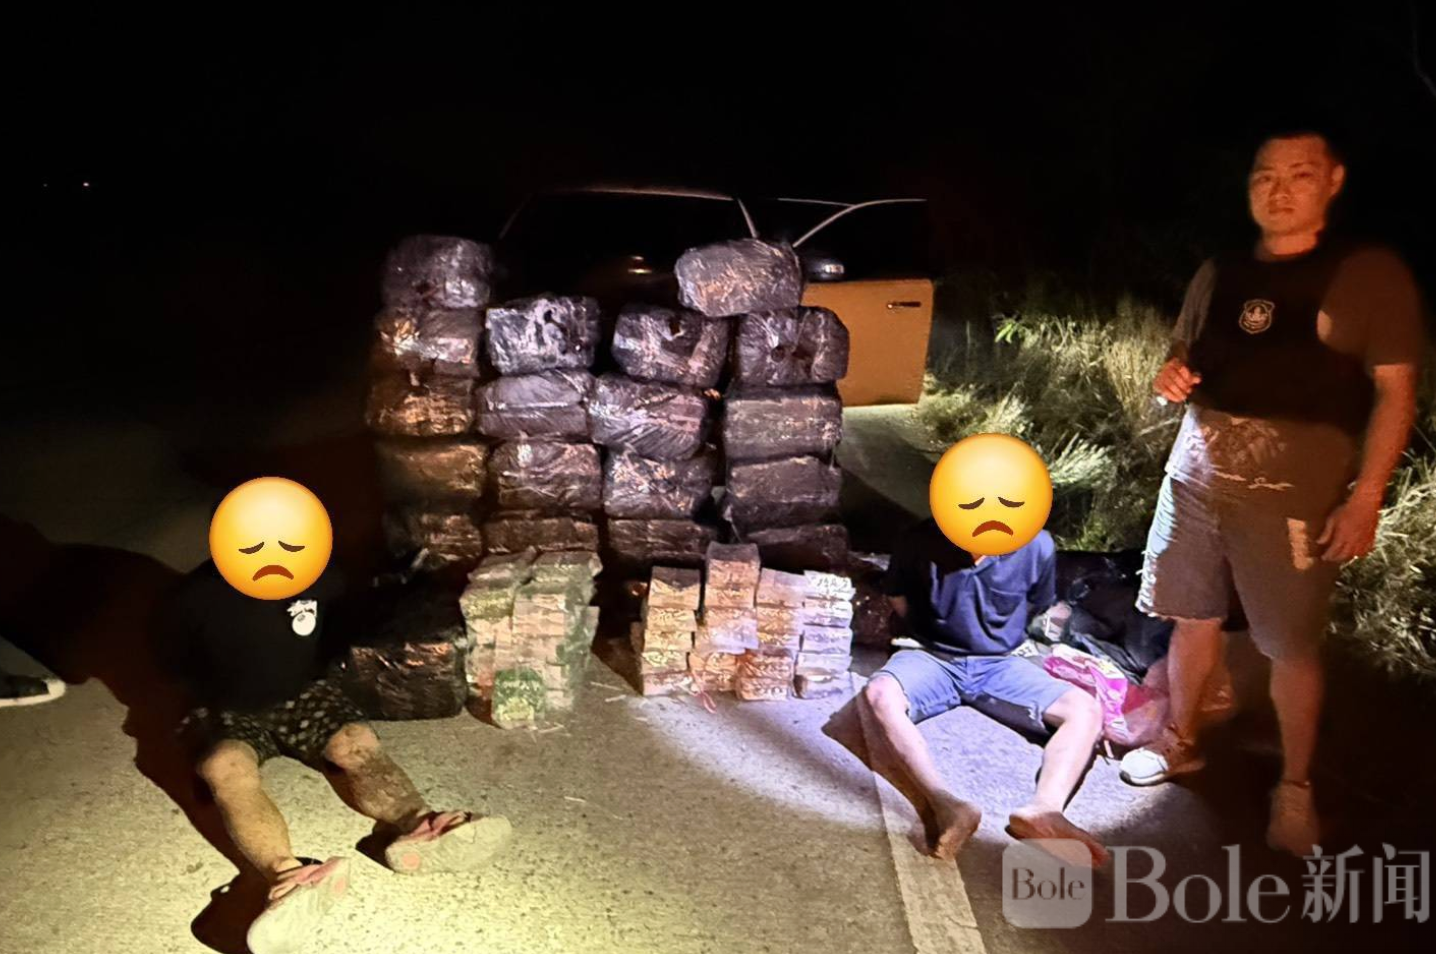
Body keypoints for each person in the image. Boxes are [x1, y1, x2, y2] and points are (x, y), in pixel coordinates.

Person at [1120, 129, 1425, 856]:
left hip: (1291, 502)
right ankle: (1179, 741)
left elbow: (1397, 393)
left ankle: (1295, 787)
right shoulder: (1219, 272)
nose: (1278, 190)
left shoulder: (1366, 274)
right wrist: (1169, 376)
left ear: (1334, 180)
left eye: (1300, 174)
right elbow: (1183, 354)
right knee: (1191, 619)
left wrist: (1366, 499)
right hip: (1194, 481)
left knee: (1290, 646)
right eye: (1265, 175)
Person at [161, 555, 512, 954]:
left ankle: (420, 824)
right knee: (225, 766)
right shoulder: (195, 596)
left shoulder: (320, 577)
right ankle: (289, 877)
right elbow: (172, 666)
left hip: (302, 689)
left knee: (353, 740)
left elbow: (350, 624)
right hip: (225, 703)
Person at [823, 520, 1108, 867]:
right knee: (880, 694)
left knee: (1084, 709)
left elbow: (1037, 605)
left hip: (999, 663)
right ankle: (944, 803)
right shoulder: (918, 537)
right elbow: (898, 597)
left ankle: (1044, 811)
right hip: (931, 656)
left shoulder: (1036, 546)